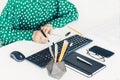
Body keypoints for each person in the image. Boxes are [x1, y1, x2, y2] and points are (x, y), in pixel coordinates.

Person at [0, 0, 78, 46]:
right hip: (19, 48)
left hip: (44, 46)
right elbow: (2, 33)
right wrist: (31, 35)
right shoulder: (15, 2)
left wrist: (51, 24)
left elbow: (72, 13)